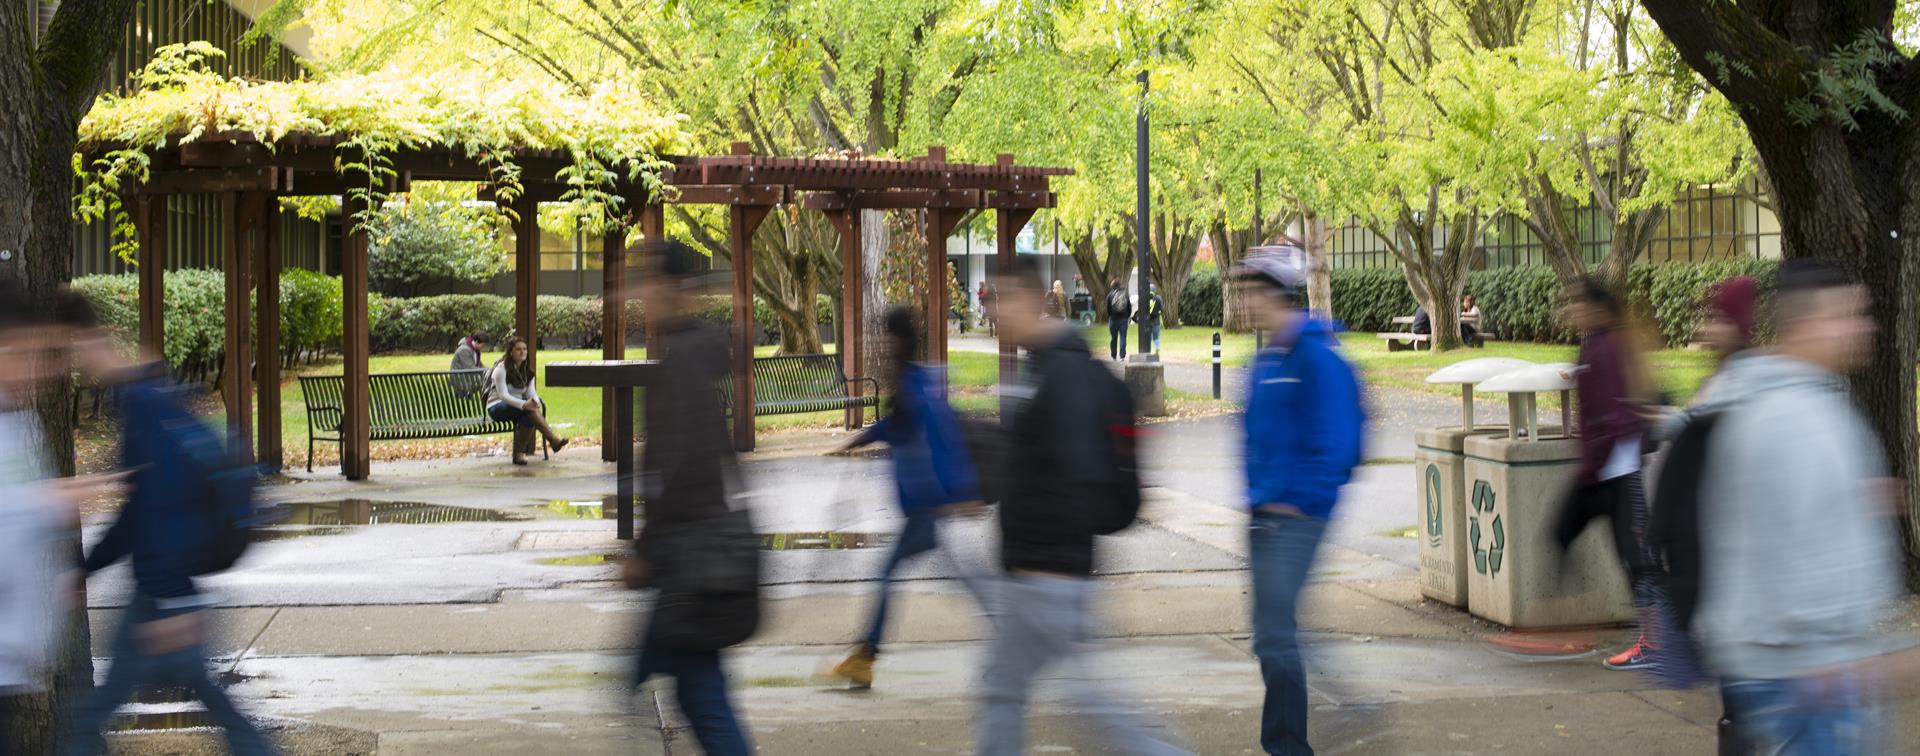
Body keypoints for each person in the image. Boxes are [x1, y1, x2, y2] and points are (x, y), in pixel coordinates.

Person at [976, 257, 1188, 756]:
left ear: (1029, 301)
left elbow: (1077, 472)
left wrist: (1044, 560)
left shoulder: (1062, 374)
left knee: (1091, 705)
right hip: (1040, 570)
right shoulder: (1043, 366)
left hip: (1050, 574)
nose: (995, 314)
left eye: (1000, 302)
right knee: (1012, 690)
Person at [1689, 261, 1902, 754]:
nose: (1864, 326)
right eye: (1847, 314)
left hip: (1798, 669)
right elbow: (1793, 550)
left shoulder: (1793, 404)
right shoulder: (1795, 418)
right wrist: (1830, 658)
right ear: (1806, 324)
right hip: (1806, 676)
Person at [58, 297, 276, 756]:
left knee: (93, 716)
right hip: (164, 590)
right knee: (204, 699)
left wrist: (172, 595)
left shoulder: (141, 404)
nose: (77, 366)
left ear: (87, 343)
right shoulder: (153, 396)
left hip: (164, 592)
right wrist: (88, 569)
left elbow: (159, 507)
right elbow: (140, 510)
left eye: (72, 352)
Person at [1231, 251, 1366, 756]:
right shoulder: (1266, 360)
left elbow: (1337, 443)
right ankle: (1334, 714)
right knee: (1271, 635)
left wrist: (1299, 501)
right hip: (1263, 515)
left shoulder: (1316, 358)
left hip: (1297, 518)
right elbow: (1253, 437)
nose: (1245, 303)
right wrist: (1256, 496)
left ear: (1275, 295)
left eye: (1251, 293)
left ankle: (1288, 746)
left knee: (1276, 635)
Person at [627, 240, 754, 755]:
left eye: (645, 282)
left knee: (692, 690)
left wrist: (643, 550)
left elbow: (676, 468)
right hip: (699, 557)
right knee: (696, 687)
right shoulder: (693, 355)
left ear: (671, 288)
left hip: (690, 560)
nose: (638, 295)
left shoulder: (681, 366)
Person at [826, 306, 990, 689]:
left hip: (926, 504)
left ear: (898, 339)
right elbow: (897, 427)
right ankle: (1013, 634)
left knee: (893, 575)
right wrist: (860, 438)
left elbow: (941, 437)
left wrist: (961, 492)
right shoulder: (907, 380)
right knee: (965, 580)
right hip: (922, 504)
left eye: (885, 335)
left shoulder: (914, 384)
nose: (880, 342)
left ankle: (865, 657)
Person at [1552, 278, 1657, 672]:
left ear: (1598, 308)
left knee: (1636, 558)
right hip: (1600, 468)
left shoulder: (1610, 346)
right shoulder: (1595, 344)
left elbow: (1613, 415)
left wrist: (1592, 465)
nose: (1572, 310)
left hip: (1616, 467)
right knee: (1561, 531)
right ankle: (1569, 621)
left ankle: (1654, 641)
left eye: (1577, 304)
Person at [0, 291, 77, 740]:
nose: (31, 368)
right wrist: (43, 504)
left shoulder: (18, 421)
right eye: (20, 352)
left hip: (10, 661)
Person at [484, 337, 568, 465]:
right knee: (528, 411)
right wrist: (524, 404)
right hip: (496, 407)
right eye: (518, 349)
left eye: (524, 349)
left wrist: (535, 402)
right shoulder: (501, 369)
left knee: (529, 415)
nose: (522, 352)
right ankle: (551, 441)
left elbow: (531, 393)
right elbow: (503, 396)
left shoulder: (527, 371)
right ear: (510, 352)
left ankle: (520, 454)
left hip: (518, 407)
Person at [449, 331, 488, 397]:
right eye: (484, 345)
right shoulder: (464, 350)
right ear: (476, 342)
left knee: (490, 378)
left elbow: (480, 366)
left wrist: (491, 370)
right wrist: (487, 373)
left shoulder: (475, 350)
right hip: (461, 381)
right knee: (488, 380)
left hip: (467, 377)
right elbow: (471, 369)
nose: (485, 347)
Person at [1105, 278, 1133, 360]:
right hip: (1123, 319)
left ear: (1112, 286)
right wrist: (1127, 316)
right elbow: (1129, 307)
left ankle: (1113, 356)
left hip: (1113, 319)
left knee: (1113, 338)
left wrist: (1111, 316)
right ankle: (1122, 356)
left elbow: (1108, 309)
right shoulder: (1125, 294)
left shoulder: (1110, 295)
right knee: (1123, 337)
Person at [1137, 284, 1165, 354]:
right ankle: (1157, 347)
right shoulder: (1158, 298)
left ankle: (1147, 350)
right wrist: (1158, 314)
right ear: (1154, 290)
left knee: (1147, 337)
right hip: (1156, 321)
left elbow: (1141, 310)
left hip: (1147, 322)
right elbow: (1162, 309)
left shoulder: (1144, 298)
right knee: (1156, 337)